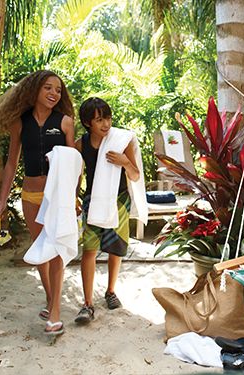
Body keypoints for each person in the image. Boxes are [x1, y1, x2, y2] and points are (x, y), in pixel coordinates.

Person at [0, 70, 75, 334]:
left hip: (58, 196)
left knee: (57, 250)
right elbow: (12, 162)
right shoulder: (20, 122)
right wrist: (2, 200)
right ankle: (50, 298)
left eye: (58, 90)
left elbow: (73, 164)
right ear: (35, 90)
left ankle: (55, 312)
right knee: (40, 253)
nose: (54, 93)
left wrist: (74, 196)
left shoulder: (65, 122)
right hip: (31, 196)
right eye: (48, 88)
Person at [74, 97, 141, 324]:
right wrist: (74, 196)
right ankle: (87, 304)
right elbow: (76, 173)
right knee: (90, 250)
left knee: (115, 248)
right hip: (92, 200)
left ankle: (111, 292)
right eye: (99, 120)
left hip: (119, 200)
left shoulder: (122, 141)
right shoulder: (81, 144)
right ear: (87, 123)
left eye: (108, 118)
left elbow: (135, 176)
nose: (106, 124)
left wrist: (124, 161)